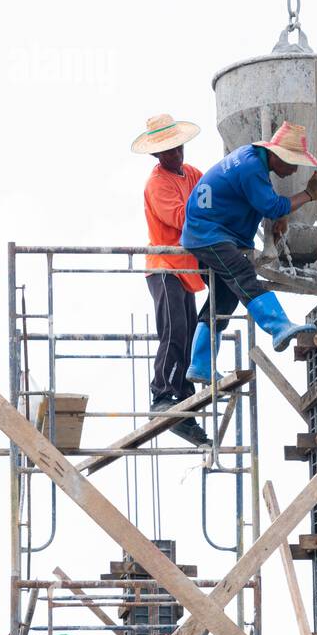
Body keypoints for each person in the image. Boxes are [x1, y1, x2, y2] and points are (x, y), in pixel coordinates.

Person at [181, 121, 317, 385]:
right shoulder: (251, 168)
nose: (294, 169)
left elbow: (262, 202)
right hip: (208, 232)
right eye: (292, 162)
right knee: (243, 275)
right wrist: (307, 194)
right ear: (276, 155)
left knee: (224, 299)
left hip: (209, 231)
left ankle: (200, 363)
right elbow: (270, 205)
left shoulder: (250, 161)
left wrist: (279, 213)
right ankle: (278, 327)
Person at [130, 114, 211, 447]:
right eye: (167, 151)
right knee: (174, 329)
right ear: (157, 155)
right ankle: (163, 394)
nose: (175, 154)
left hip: (186, 268)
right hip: (164, 265)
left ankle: (183, 400)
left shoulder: (192, 174)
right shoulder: (157, 184)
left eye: (177, 147)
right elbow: (182, 218)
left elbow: (211, 195)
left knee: (190, 333)